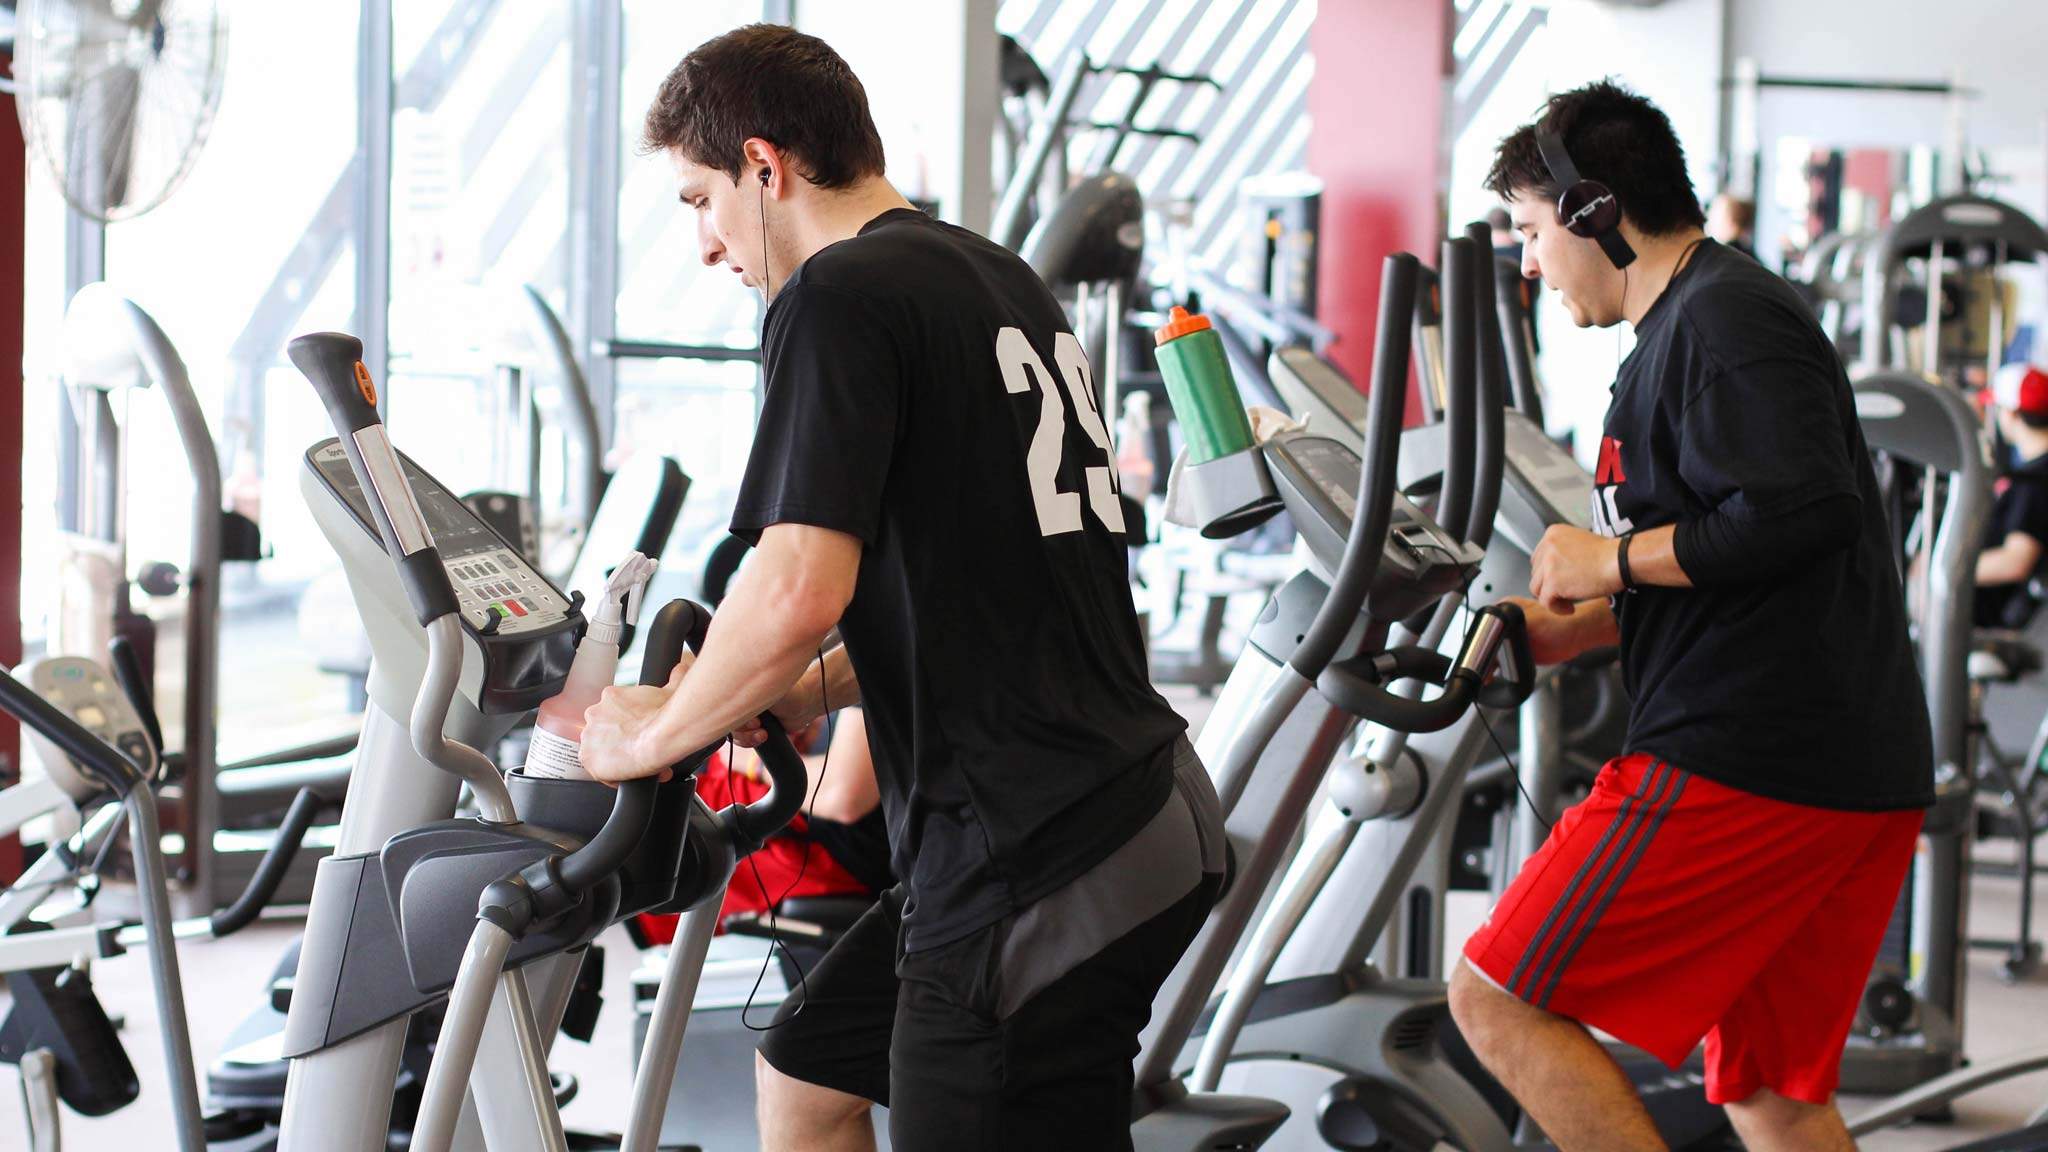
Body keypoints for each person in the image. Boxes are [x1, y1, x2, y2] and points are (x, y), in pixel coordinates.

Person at [577, 24, 1225, 1152]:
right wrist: (799, 697)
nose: (706, 245)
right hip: (1133, 803)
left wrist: (650, 737)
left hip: (1037, 854)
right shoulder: (992, 275)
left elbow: (794, 587)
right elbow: (986, 583)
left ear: (764, 168)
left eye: (697, 201)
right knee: (810, 1076)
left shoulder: (835, 297)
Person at [1446, 81, 1932, 1152]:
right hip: (1841, 764)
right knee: (1770, 1093)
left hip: (1750, 760)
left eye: (1532, 232)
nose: (1530, 263)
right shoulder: (1694, 323)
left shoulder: (1719, 319)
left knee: (1496, 994)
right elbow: (1748, 562)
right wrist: (1586, 626)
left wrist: (1607, 558)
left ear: (1590, 212)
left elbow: (1798, 514)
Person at [1975, 362, 2048, 629]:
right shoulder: (2032, 471)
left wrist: (1946, 571)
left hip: (2001, 621)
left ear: (2013, 414)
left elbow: (2015, 561)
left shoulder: (2034, 481)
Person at [1706, 191, 1757, 259]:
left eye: (1715, 215)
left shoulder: (1719, 259)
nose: (1708, 218)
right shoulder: (1751, 257)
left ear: (1731, 222)